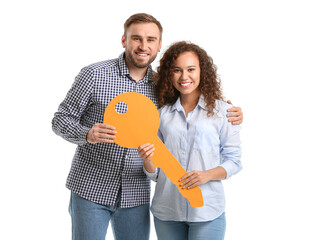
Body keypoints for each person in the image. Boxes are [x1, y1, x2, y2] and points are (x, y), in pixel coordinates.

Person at [52, 13, 243, 240]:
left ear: (159, 45)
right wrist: (87, 133)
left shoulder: (162, 87)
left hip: (136, 193)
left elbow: (191, 102)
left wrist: (228, 110)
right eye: (136, 38)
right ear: (124, 40)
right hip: (91, 187)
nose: (143, 46)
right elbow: (60, 119)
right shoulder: (94, 74)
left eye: (151, 39)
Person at [138, 41, 242, 240]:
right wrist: (147, 159)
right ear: (170, 74)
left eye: (191, 69)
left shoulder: (224, 112)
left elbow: (234, 161)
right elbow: (156, 174)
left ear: (203, 71)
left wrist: (206, 175)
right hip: (167, 211)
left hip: (207, 212)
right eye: (177, 70)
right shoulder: (161, 115)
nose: (184, 77)